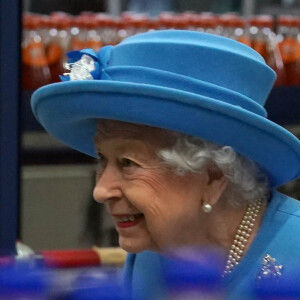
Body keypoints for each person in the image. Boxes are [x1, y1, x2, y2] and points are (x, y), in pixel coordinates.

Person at [31, 30, 300, 298]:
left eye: (127, 163)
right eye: (103, 159)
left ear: (214, 176)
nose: (101, 191)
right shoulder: (152, 252)